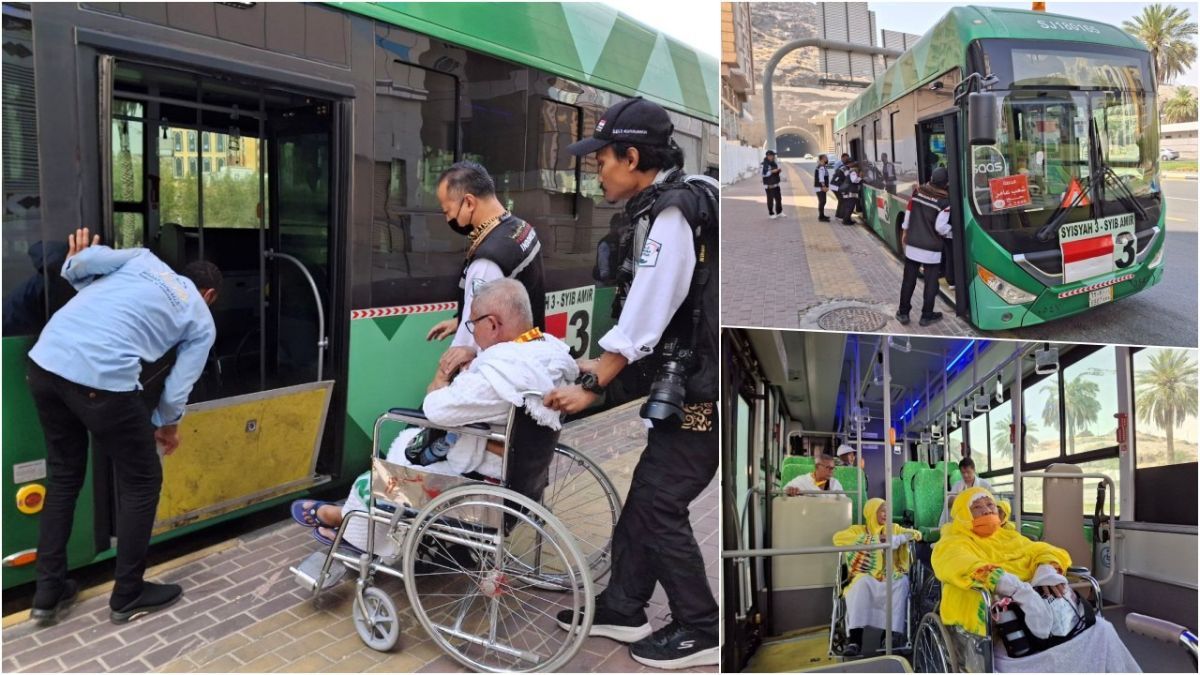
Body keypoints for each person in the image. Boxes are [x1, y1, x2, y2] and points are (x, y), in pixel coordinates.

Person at [545, 96, 720, 669]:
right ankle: (623, 605)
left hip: (705, 394)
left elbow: (647, 311)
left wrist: (597, 379)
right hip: (695, 381)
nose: (597, 170)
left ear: (632, 155)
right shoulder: (687, 194)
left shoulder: (672, 214)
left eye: (602, 159)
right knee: (648, 493)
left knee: (658, 502)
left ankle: (701, 627)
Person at [292, 279, 578, 557]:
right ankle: (346, 518)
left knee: (372, 479)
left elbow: (435, 410)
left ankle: (354, 534)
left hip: (482, 489)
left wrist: (441, 376)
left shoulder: (496, 377)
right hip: (523, 480)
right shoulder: (547, 354)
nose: (472, 333)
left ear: (493, 324)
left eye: (473, 323)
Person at [26, 228, 220, 626]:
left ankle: (47, 593)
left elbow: (78, 265)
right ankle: (128, 594)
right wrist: (167, 427)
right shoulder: (200, 316)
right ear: (210, 295)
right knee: (142, 481)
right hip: (101, 382)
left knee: (63, 475)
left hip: (45, 362)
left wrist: (77, 268)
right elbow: (177, 387)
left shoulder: (143, 260)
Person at [932, 487, 1140, 673]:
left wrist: (1046, 572)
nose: (987, 510)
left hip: (1044, 613)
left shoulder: (1011, 536)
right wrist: (1012, 587)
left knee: (1103, 631)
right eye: (977, 507)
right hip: (1000, 623)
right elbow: (958, 563)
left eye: (990, 505)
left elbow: (1043, 550)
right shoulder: (954, 540)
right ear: (964, 515)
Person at [426, 161, 546, 383]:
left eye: (448, 211)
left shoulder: (488, 260)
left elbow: (468, 340)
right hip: (526, 360)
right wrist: (460, 319)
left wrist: (438, 383)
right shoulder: (520, 229)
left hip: (497, 375)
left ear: (469, 202)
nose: (448, 219)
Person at [832, 498, 923, 656]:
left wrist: (905, 537)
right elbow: (837, 539)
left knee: (901, 583)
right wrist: (876, 540)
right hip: (864, 575)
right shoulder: (857, 530)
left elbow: (916, 534)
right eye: (882, 510)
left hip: (890, 574)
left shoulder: (893, 528)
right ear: (871, 512)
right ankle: (855, 640)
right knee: (860, 584)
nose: (886, 514)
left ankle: (888, 637)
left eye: (888, 510)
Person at [896, 166, 952, 327]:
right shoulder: (944, 202)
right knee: (931, 283)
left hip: (913, 245)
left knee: (909, 281)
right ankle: (926, 316)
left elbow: (908, 215)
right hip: (931, 250)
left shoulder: (917, 192)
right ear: (946, 183)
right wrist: (952, 232)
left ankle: (903, 313)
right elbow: (941, 228)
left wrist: (905, 233)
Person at [940, 457, 992, 525]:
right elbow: (948, 502)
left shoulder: (985, 484)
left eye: (968, 472)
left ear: (974, 470)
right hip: (963, 515)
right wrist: (954, 499)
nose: (965, 475)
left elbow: (994, 500)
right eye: (963, 473)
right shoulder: (958, 485)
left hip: (981, 514)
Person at [594, 211, 628, 284]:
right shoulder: (606, 243)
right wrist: (607, 280)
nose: (624, 229)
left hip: (615, 281)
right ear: (615, 226)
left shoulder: (621, 241)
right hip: (605, 283)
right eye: (622, 226)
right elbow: (603, 264)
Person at [836, 160, 862, 225]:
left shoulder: (850, 172)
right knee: (850, 207)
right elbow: (854, 180)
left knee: (849, 207)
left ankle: (848, 219)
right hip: (850, 193)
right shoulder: (853, 172)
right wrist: (860, 177)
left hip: (848, 192)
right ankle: (846, 221)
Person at [762, 149, 783, 219]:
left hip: (776, 184)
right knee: (770, 200)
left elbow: (774, 172)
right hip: (769, 185)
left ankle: (779, 212)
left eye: (774, 156)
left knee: (779, 199)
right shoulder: (764, 164)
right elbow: (764, 174)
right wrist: (772, 171)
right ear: (768, 156)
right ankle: (771, 213)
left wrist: (778, 171)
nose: (774, 157)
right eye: (772, 155)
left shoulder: (774, 163)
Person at [814, 154, 832, 222]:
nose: (827, 159)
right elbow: (821, 178)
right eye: (826, 158)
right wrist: (824, 186)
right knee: (822, 201)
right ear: (822, 159)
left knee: (823, 201)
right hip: (820, 187)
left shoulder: (822, 166)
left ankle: (822, 215)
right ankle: (821, 217)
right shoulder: (821, 167)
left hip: (820, 187)